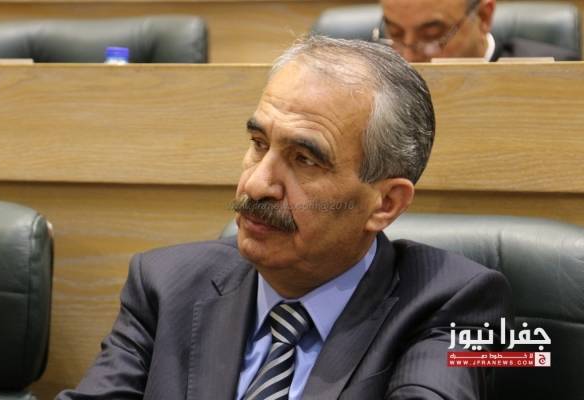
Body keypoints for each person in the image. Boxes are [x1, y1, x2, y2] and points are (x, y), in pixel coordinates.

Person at [57, 36, 512, 400]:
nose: (256, 185)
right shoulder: (164, 285)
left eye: (305, 160)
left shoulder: (454, 306)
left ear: (385, 204)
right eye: (259, 144)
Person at [376, 0, 580, 62]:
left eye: (432, 36)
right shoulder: (375, 78)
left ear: (483, 16)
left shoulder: (561, 73)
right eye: (395, 33)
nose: (409, 58)